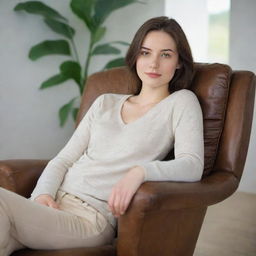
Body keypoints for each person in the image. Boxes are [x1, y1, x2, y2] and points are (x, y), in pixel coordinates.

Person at [0, 16, 204, 255]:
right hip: (53, 205)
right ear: (135, 56)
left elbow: (192, 165)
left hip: (90, 219)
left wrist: (140, 171)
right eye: (146, 53)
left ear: (179, 62)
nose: (153, 64)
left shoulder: (181, 102)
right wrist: (42, 194)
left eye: (166, 55)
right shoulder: (104, 102)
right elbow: (64, 159)